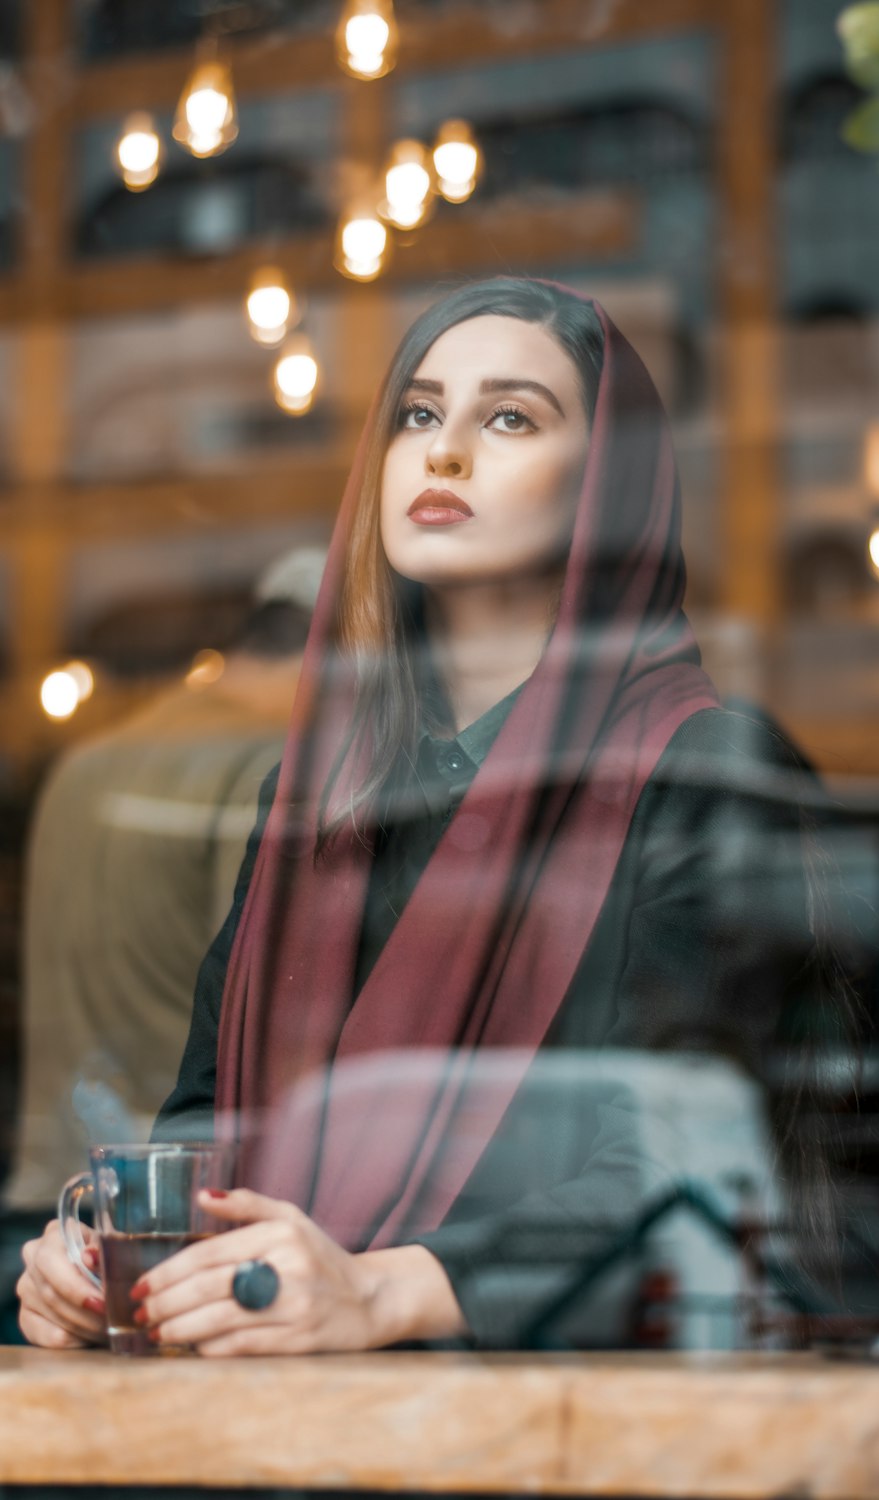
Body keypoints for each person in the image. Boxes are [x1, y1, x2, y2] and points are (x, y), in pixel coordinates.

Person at [17, 278, 834, 1354]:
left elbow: (693, 1177)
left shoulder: (705, 774)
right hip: (284, 1421)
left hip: (574, 1427)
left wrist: (382, 1292)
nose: (443, 452)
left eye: (508, 417)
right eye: (417, 413)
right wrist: (116, 1245)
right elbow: (212, 1123)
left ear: (611, 483)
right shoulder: (320, 796)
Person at [1, 548, 325, 1341]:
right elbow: (264, 1010)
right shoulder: (256, 764)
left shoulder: (89, 760)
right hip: (157, 1237)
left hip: (44, 1216)